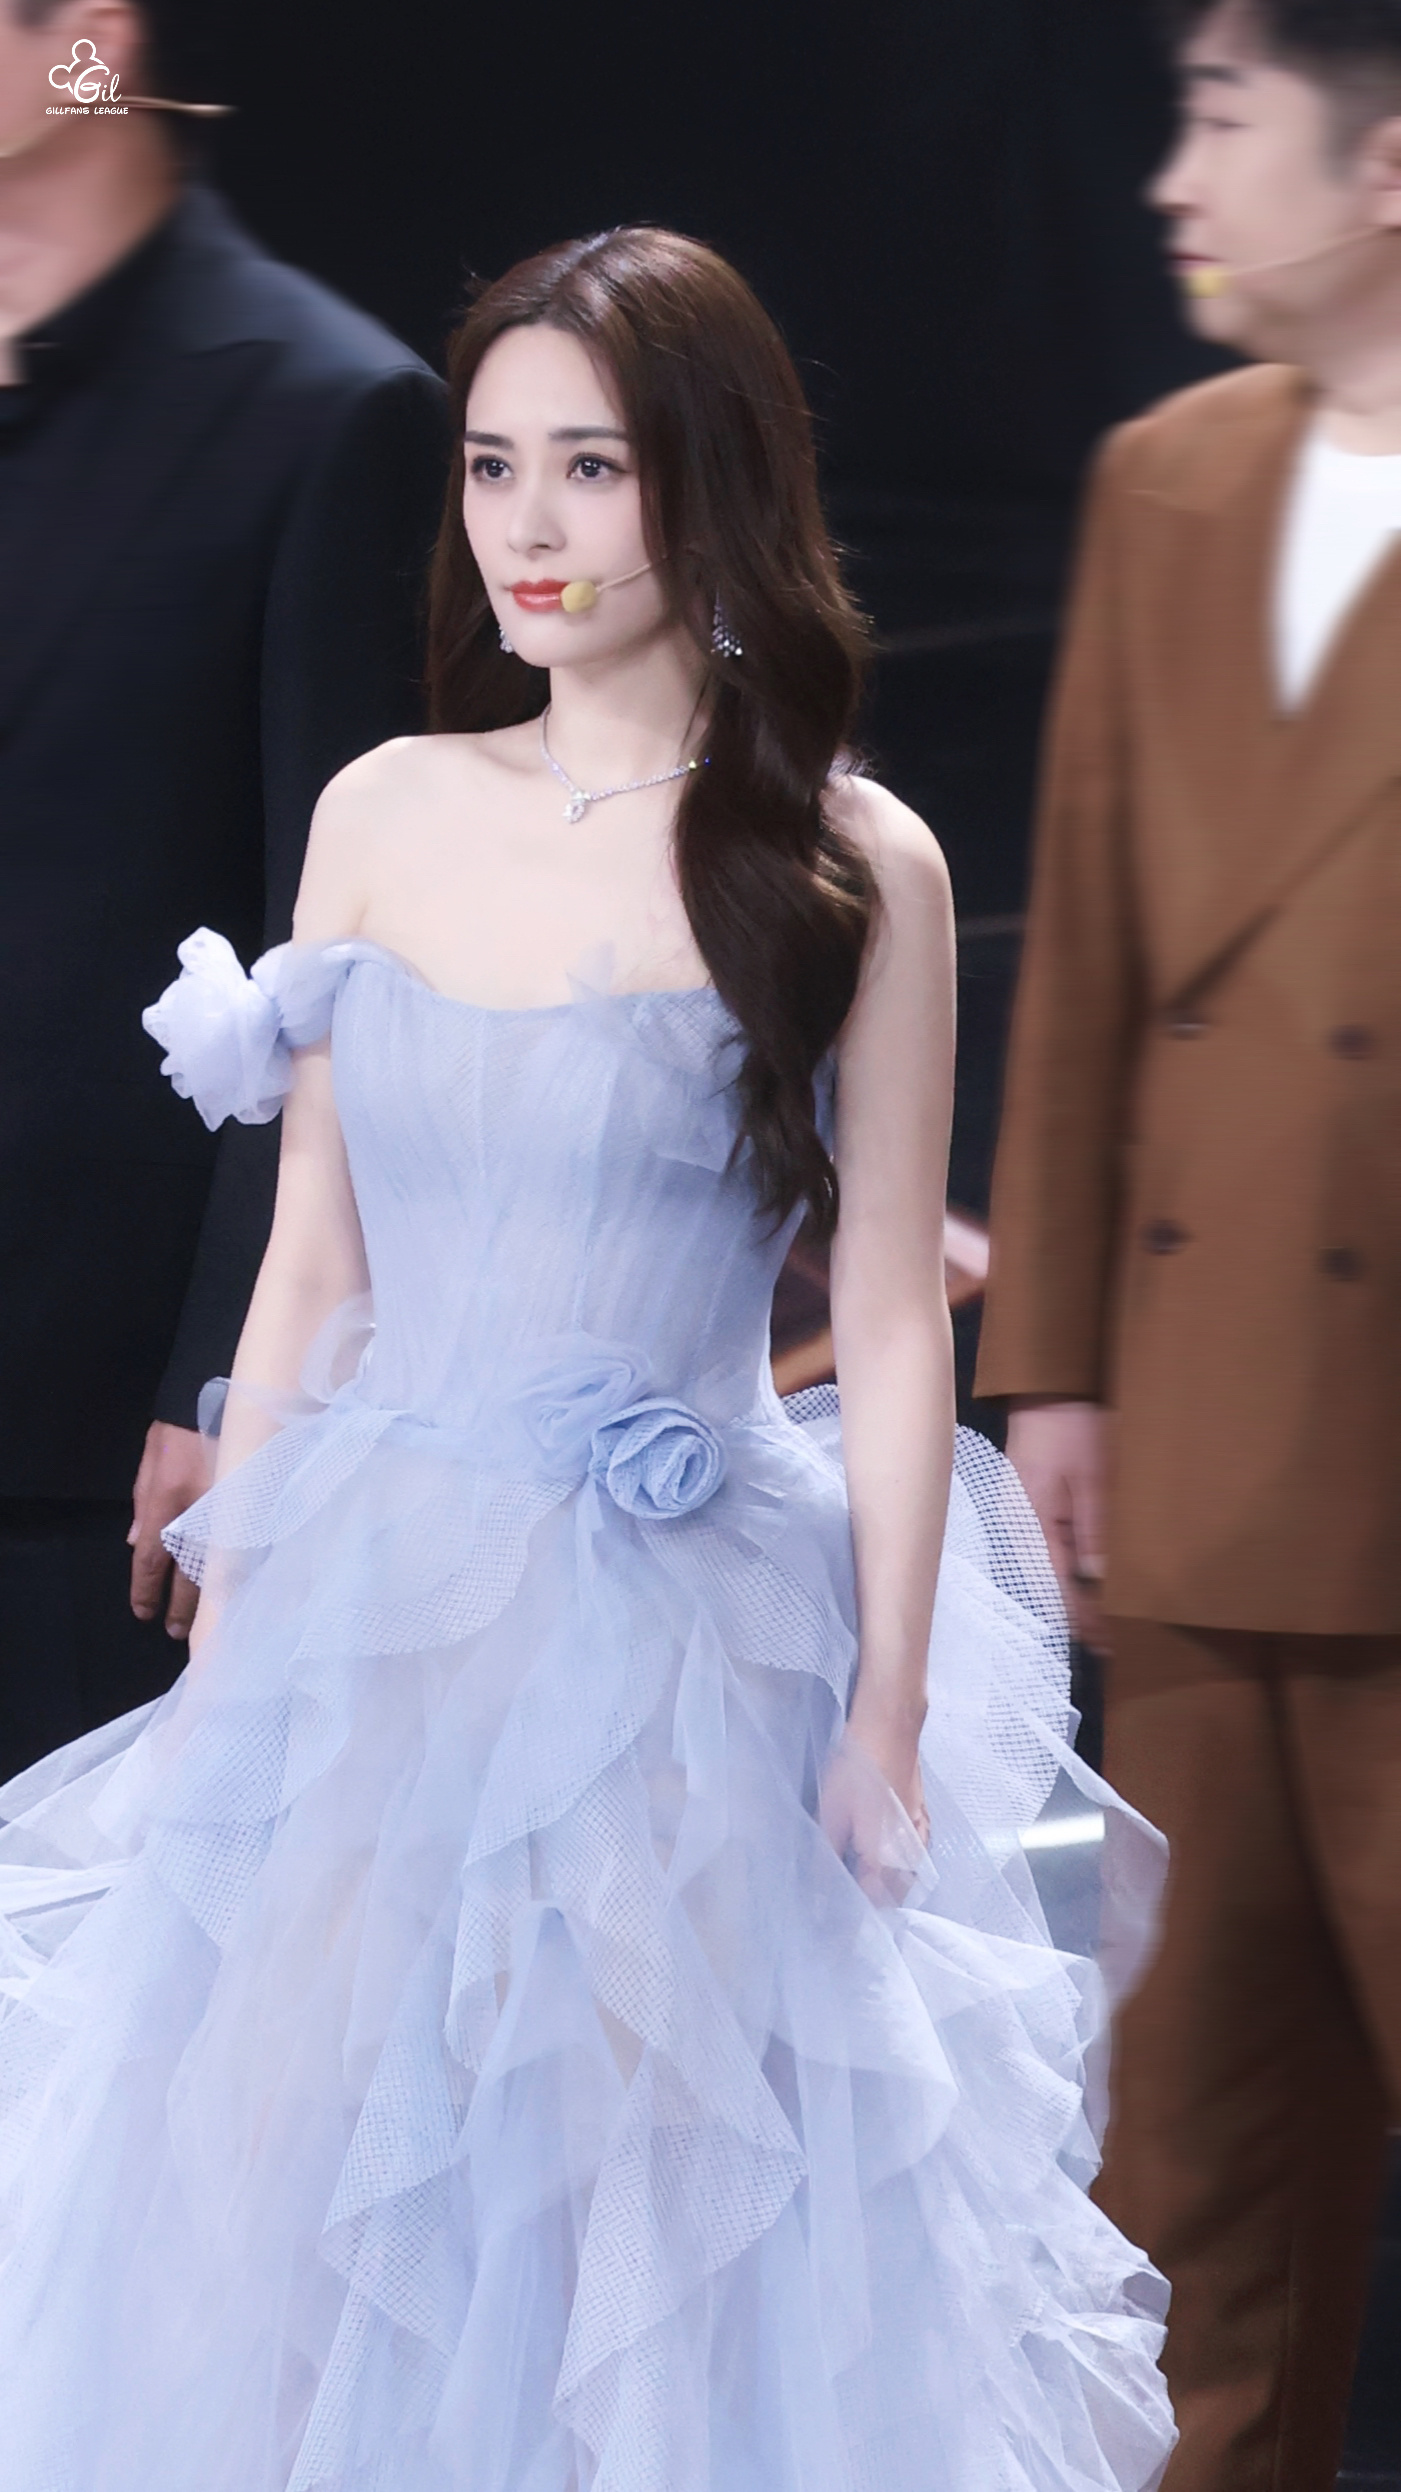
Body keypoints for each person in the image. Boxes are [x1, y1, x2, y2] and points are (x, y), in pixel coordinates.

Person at [0, 226, 1176, 2491]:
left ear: (710, 483)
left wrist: (884, 1710)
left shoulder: (849, 860)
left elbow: (895, 1336)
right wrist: (235, 1641)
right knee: (293, 2215)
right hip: (374, 1628)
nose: (525, 529)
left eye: (592, 469)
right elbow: (312, 1264)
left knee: (646, 2237)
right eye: (489, 467)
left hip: (685, 1651)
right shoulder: (382, 807)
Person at [976, 4, 1401, 2483]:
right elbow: (1095, 960)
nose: (1170, 176)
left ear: (1384, 164)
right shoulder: (1166, 482)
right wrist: (1056, 1365)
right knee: (1188, 2212)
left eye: (1222, 118)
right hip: (1207, 1474)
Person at [0, 0, 448, 1777]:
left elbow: (333, 955)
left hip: (103, 1429)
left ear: (87, 43)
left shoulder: (320, 409)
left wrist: (233, 1386)